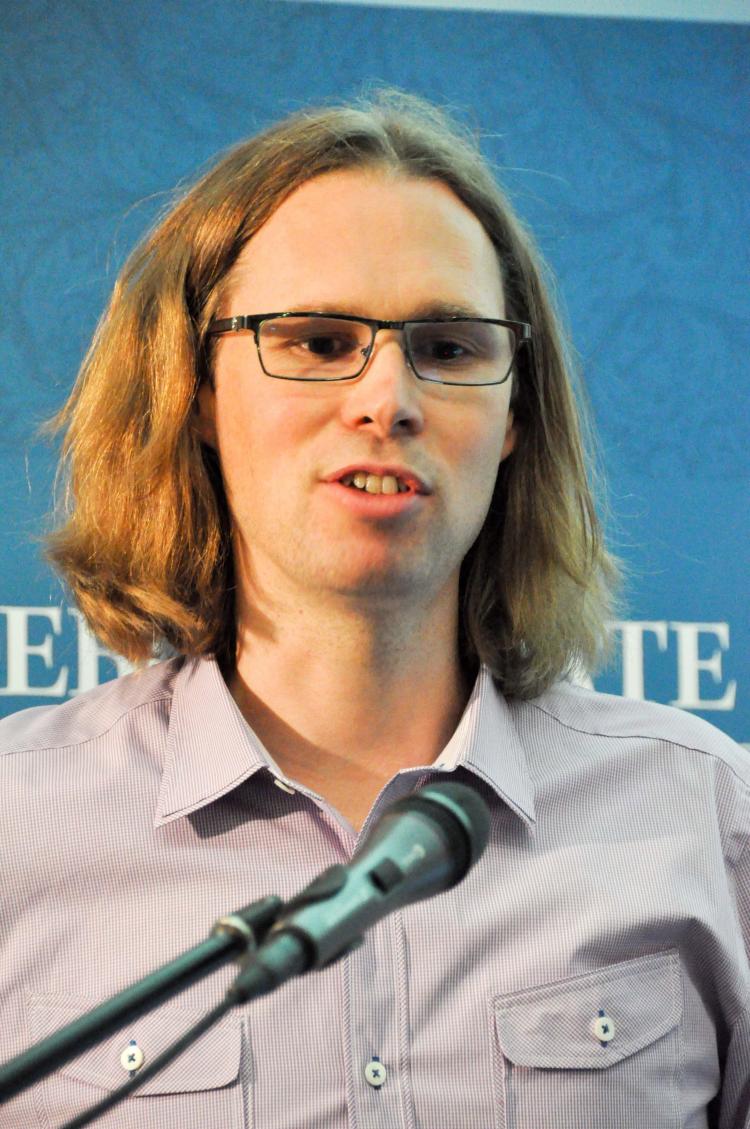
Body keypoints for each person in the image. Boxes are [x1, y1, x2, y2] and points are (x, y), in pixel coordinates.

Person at [0, 90, 747, 1129]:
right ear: (198, 395)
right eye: (314, 340)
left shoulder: (710, 820)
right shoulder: (13, 829)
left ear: (516, 416)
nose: (388, 398)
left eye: (447, 348)